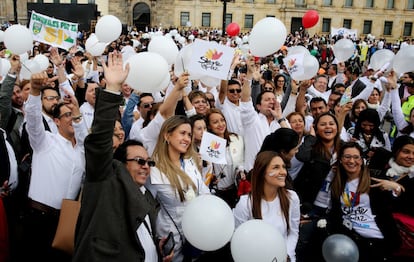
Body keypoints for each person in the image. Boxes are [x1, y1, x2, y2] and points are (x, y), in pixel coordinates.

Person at [73, 51, 171, 262]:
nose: (146, 166)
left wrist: (156, 248)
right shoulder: (105, 180)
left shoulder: (145, 195)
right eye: (139, 161)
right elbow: (99, 142)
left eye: (148, 162)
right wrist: (112, 90)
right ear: (119, 164)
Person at [22, 70, 88, 261]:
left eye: (74, 115)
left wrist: (76, 112)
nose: (72, 119)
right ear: (56, 121)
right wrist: (35, 91)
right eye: (66, 115)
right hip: (38, 219)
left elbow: (85, 139)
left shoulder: (82, 151)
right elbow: (33, 121)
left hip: (66, 221)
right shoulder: (45, 141)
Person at [147, 115, 210, 262]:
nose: (187, 139)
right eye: (182, 133)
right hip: (171, 239)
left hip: (195, 233)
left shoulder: (190, 162)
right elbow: (146, 205)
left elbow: (203, 191)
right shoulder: (154, 169)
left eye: (189, 135)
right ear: (167, 135)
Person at [329, 142, 401, 262]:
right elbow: (336, 214)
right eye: (347, 157)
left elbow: (396, 200)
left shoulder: (374, 179)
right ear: (340, 160)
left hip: (377, 239)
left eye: (356, 157)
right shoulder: (338, 183)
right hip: (352, 239)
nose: (352, 161)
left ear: (362, 160)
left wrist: (395, 188)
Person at [233, 151, 300, 262]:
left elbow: (293, 232)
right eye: (276, 167)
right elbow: (238, 240)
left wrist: (286, 254)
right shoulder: (245, 204)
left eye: (283, 167)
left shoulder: (292, 198)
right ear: (262, 172)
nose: (283, 172)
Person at [206, 108, 244, 208]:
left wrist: (241, 171)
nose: (220, 124)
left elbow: (242, 161)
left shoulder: (236, 139)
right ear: (209, 126)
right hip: (217, 193)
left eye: (222, 120)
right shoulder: (207, 144)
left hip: (236, 189)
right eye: (215, 122)